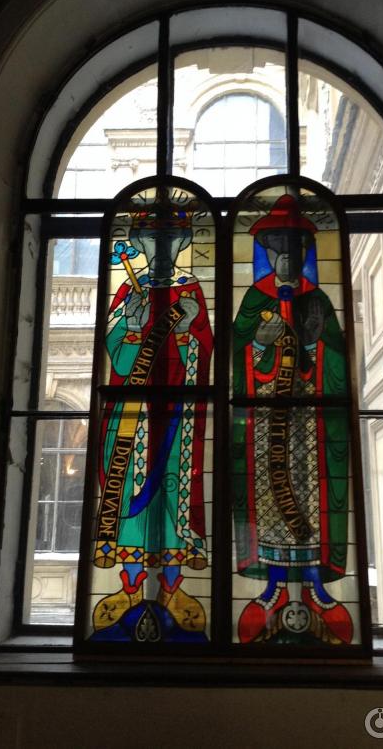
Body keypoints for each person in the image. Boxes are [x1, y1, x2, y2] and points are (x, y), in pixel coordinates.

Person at [232, 193, 353, 645]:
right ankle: (274, 583)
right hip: (266, 423)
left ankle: (314, 582)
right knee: (268, 497)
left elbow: (338, 361)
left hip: (310, 426)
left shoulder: (317, 299)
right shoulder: (253, 299)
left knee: (309, 496)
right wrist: (258, 345)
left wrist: (315, 347)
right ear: (269, 255)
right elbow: (235, 355)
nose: (287, 259)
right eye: (280, 251)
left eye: (295, 251)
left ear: (304, 256)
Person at [91, 196, 213, 642]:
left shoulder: (190, 290)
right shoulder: (129, 292)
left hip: (177, 415)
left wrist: (187, 331)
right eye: (151, 238)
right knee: (128, 493)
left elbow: (204, 348)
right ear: (140, 243)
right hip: (132, 415)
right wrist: (130, 325)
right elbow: (117, 356)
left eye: (171, 239)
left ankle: (173, 590)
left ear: (181, 243)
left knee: (173, 494)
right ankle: (129, 589)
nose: (161, 247)